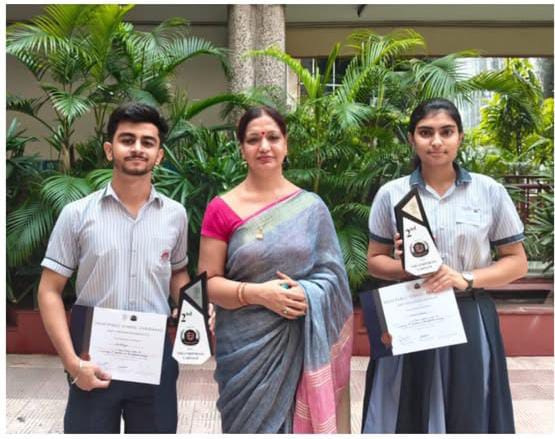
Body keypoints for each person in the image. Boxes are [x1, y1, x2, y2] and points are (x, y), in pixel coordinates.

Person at [362, 98, 528, 433]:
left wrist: (464, 277)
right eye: (426, 132)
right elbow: (374, 262)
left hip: (470, 311)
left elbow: (517, 262)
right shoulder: (392, 193)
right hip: (412, 311)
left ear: (460, 137)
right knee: (408, 406)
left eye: (446, 132)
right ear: (412, 138)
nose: (436, 141)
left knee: (471, 406)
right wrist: (406, 267)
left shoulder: (488, 191)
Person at [198, 106, 353, 433]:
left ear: (286, 144)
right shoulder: (221, 208)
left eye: (273, 137)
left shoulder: (311, 208)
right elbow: (207, 283)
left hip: (300, 342)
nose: (264, 146)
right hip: (244, 352)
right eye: (253, 139)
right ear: (242, 148)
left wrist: (309, 294)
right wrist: (258, 294)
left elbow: (334, 278)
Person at [38, 102, 190, 433]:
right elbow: (49, 290)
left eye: (147, 142)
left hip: (154, 359)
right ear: (110, 150)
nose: (137, 148)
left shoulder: (175, 215)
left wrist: (193, 307)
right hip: (92, 359)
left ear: (159, 155)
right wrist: (72, 364)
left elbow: (178, 272)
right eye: (127, 139)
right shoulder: (77, 215)